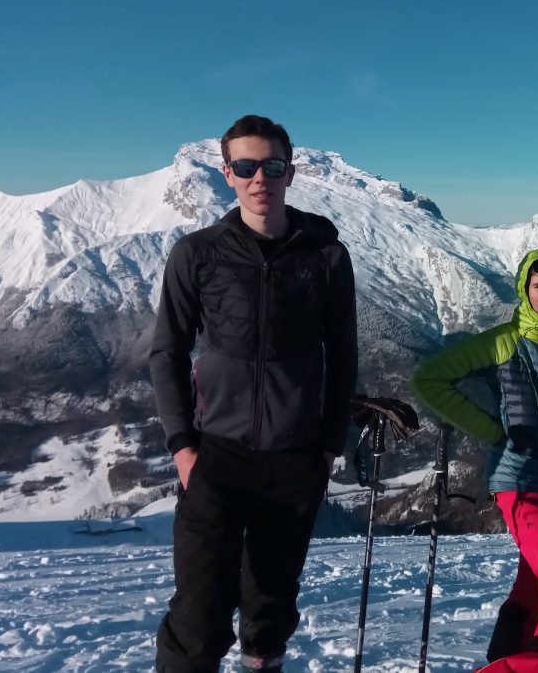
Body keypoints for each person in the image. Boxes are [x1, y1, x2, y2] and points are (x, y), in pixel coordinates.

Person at [149, 115, 358, 672]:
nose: (259, 177)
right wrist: (182, 447)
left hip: (294, 460)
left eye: (271, 165)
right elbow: (167, 351)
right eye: (246, 166)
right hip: (216, 455)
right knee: (197, 614)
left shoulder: (327, 258)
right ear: (228, 173)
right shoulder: (198, 254)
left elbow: (342, 356)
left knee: (268, 611)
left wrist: (327, 447)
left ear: (291, 172)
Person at [410, 250, 538, 672]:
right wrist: (494, 431)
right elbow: (430, 378)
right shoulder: (500, 342)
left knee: (534, 587)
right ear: (524, 290)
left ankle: (509, 653)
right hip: (518, 483)